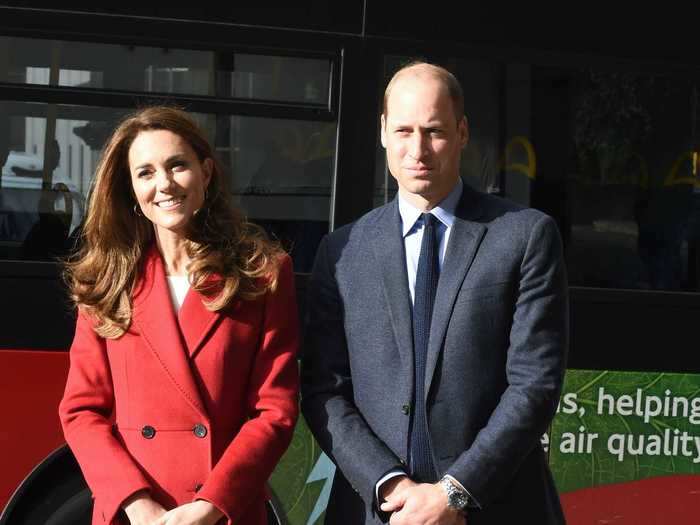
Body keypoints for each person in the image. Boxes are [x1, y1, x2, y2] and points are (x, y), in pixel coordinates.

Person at [301, 62, 568, 524]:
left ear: (462, 133)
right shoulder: (342, 251)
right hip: (378, 511)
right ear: (383, 132)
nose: (417, 150)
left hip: (495, 508)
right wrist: (389, 484)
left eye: (435, 131)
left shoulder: (525, 237)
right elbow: (325, 388)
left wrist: (455, 492)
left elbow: (534, 384)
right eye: (403, 130)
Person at [59, 106, 300, 525]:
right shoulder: (105, 282)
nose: (164, 184)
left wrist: (210, 507)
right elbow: (81, 412)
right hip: (135, 514)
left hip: (224, 510)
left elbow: (275, 410)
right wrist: (137, 504)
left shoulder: (262, 274)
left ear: (206, 172)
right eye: (146, 173)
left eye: (177, 165)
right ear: (131, 190)